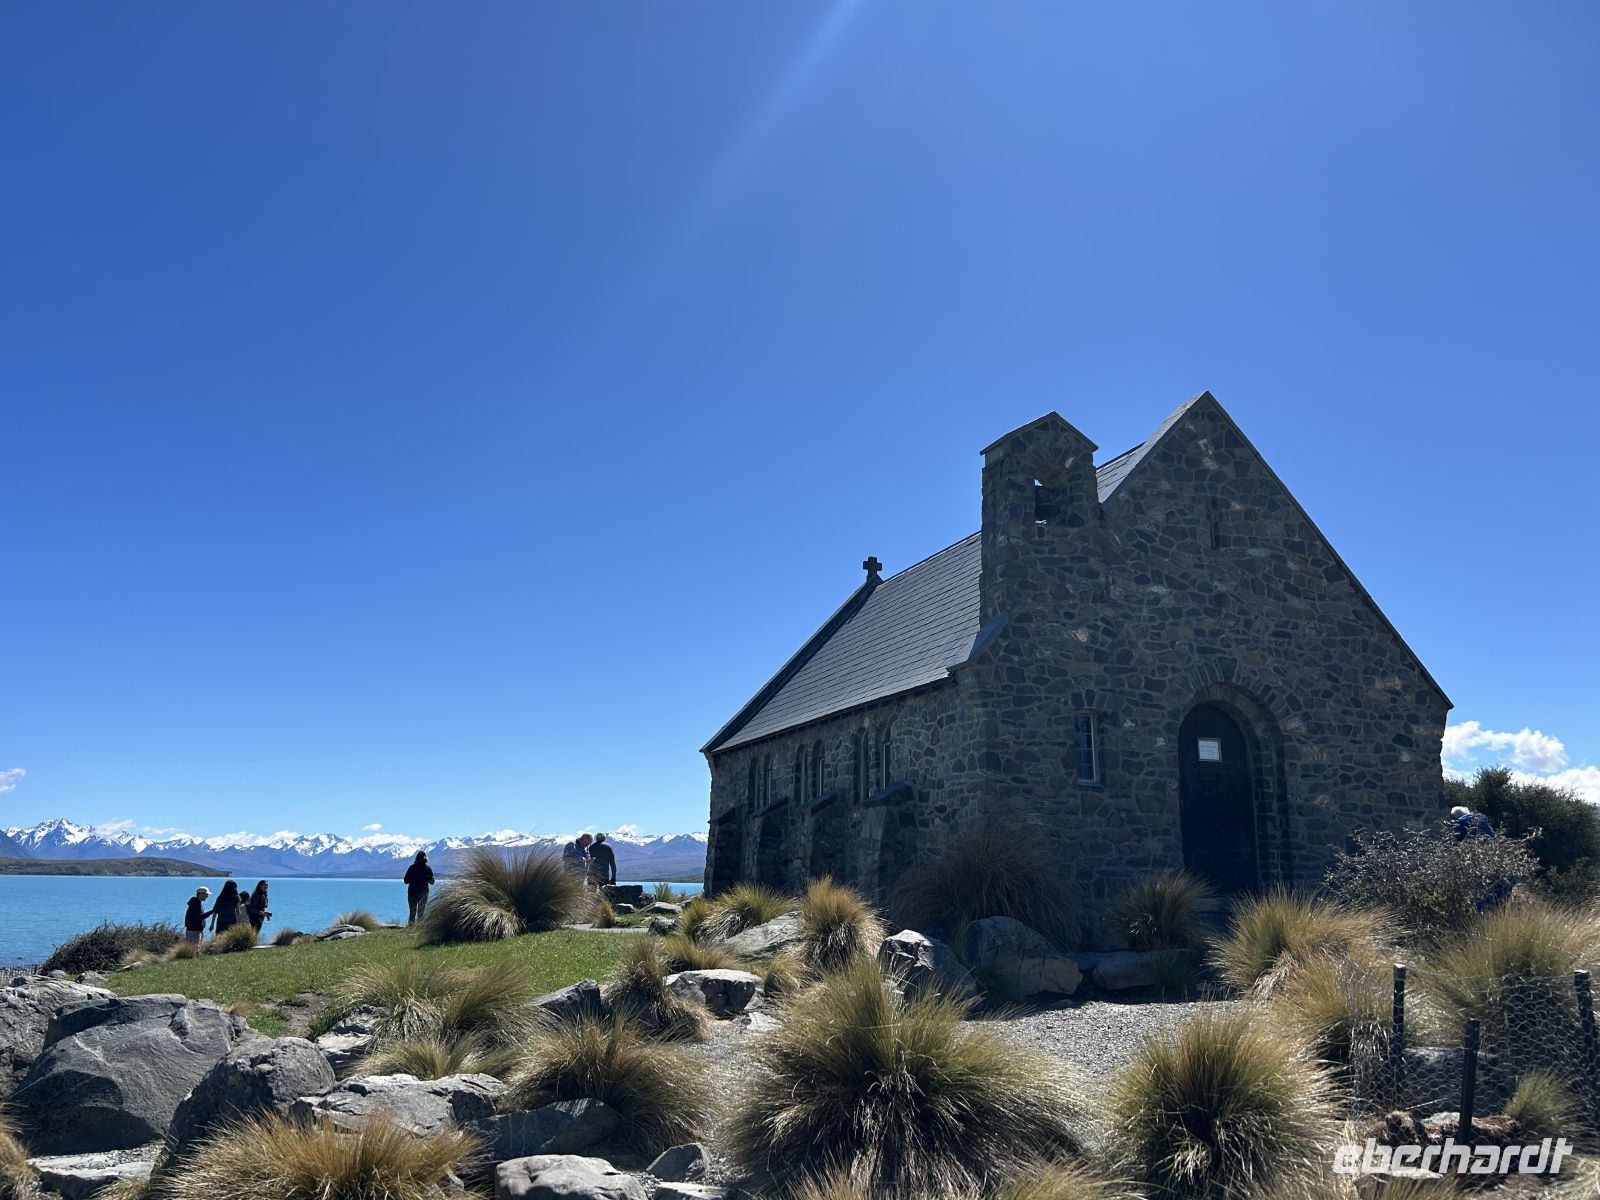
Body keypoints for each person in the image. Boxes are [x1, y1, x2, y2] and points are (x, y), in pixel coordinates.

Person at [403, 850, 434, 926]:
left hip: (412, 893)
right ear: (425, 858)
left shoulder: (411, 868)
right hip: (423, 893)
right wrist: (426, 879)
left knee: (412, 912)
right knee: (421, 912)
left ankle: (410, 928)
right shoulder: (428, 869)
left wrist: (413, 879)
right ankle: (419, 929)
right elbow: (432, 882)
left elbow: (406, 881)